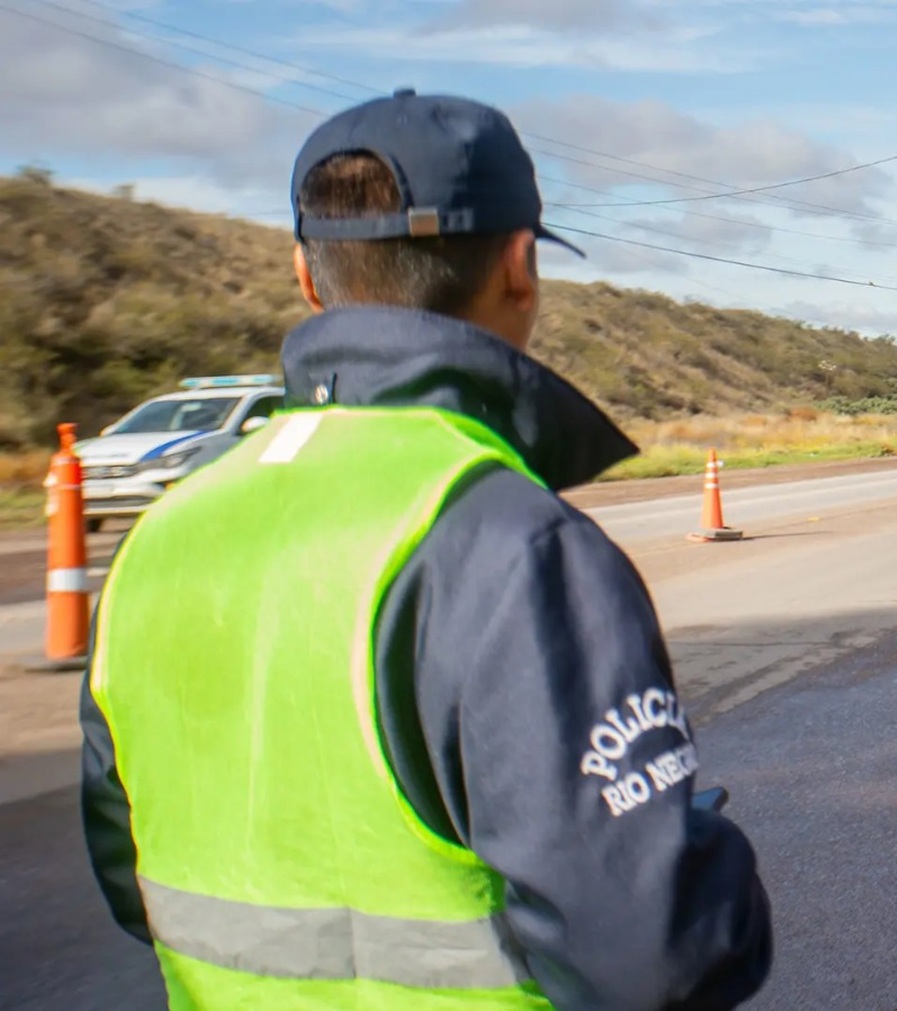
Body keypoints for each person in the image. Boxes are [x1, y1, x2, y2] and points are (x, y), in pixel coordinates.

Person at [78, 89, 773, 1010]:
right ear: (520, 266)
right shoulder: (510, 541)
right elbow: (656, 954)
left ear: (306, 274)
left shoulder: (164, 531)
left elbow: (130, 870)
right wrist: (693, 846)